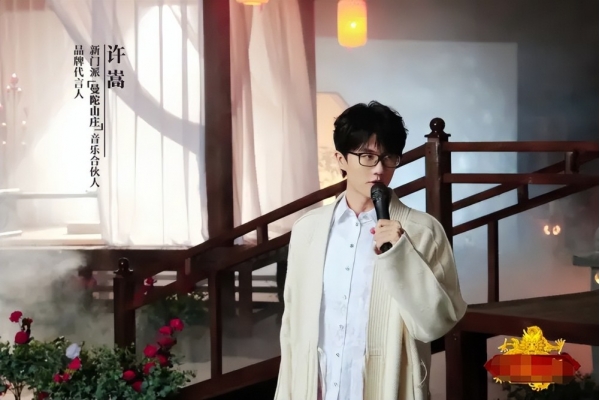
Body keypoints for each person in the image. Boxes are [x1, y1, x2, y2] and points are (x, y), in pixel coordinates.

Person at [274, 101, 467, 400]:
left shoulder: (424, 231)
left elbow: (436, 325)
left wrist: (401, 255)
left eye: (388, 158)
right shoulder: (307, 230)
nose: (379, 169)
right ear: (341, 159)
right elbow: (292, 330)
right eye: (367, 156)